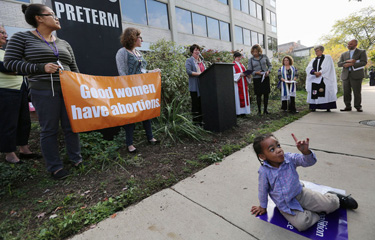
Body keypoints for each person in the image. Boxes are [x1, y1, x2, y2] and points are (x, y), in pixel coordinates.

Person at [4, 4, 83, 180]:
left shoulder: (63, 43)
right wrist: (40, 67)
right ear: (39, 18)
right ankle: (55, 167)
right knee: (49, 129)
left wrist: (79, 86)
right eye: (52, 14)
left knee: (72, 127)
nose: (57, 18)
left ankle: (76, 159)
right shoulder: (22, 38)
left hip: (68, 90)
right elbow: (10, 63)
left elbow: (74, 67)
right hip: (44, 91)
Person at [251, 133, 358, 232]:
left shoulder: (290, 158)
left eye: (278, 145)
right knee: (302, 224)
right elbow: (262, 190)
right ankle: (315, 211)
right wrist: (262, 207)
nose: (279, 150)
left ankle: (334, 197)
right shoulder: (264, 172)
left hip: (301, 194)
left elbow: (308, 161)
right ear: (263, 156)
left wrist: (305, 152)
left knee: (332, 205)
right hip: (286, 205)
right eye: (272, 149)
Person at [115, 27, 159, 153]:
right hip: (130, 89)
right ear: (133, 38)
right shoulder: (122, 52)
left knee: (146, 114)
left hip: (142, 88)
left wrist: (152, 72)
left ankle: (150, 137)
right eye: (140, 37)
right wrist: (128, 89)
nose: (142, 39)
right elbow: (122, 72)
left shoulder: (138, 53)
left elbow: (142, 71)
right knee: (131, 117)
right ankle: (129, 144)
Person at [0, 25, 38, 164]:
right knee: (8, 123)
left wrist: (18, 69)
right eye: (2, 32)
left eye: (5, 32)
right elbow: (6, 68)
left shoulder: (5, 52)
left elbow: (15, 67)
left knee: (24, 121)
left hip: (20, 90)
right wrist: (21, 69)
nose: (6, 35)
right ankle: (9, 154)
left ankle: (24, 149)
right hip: (5, 91)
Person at [337, 39, 367, 112]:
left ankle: (358, 106)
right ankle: (347, 106)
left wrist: (353, 64)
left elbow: (364, 62)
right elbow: (339, 64)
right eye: (348, 44)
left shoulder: (361, 52)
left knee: (357, 92)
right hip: (345, 75)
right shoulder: (343, 54)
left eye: (351, 44)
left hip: (356, 75)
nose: (348, 45)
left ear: (355, 45)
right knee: (346, 92)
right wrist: (347, 61)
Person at [305, 45, 337, 112]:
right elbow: (308, 68)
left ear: (322, 51)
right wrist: (314, 72)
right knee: (314, 92)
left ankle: (327, 106)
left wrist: (320, 72)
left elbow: (327, 67)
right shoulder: (313, 60)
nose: (316, 52)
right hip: (314, 78)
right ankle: (314, 106)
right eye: (315, 51)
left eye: (318, 51)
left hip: (324, 78)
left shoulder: (327, 58)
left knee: (325, 92)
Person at [248, 44, 272, 115]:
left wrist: (268, 71)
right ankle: (259, 111)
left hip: (265, 77)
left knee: (266, 94)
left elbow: (270, 65)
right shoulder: (251, 59)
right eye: (253, 52)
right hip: (257, 79)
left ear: (259, 51)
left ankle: (265, 110)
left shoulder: (264, 56)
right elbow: (249, 70)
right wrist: (256, 72)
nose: (255, 53)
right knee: (258, 94)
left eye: (256, 51)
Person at [185, 44, 206, 124]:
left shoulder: (202, 61)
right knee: (195, 104)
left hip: (202, 85)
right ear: (192, 52)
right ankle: (196, 122)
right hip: (194, 86)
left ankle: (202, 120)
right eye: (195, 50)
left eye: (198, 50)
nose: (197, 52)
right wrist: (200, 74)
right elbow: (189, 72)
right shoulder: (189, 60)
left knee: (201, 103)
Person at [232, 51, 251, 116]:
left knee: (245, 97)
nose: (239, 58)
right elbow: (232, 75)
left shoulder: (242, 65)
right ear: (234, 57)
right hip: (237, 84)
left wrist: (248, 75)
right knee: (238, 98)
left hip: (244, 83)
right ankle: (238, 113)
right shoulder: (233, 65)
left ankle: (244, 112)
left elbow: (245, 72)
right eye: (238, 57)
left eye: (240, 57)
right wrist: (240, 74)